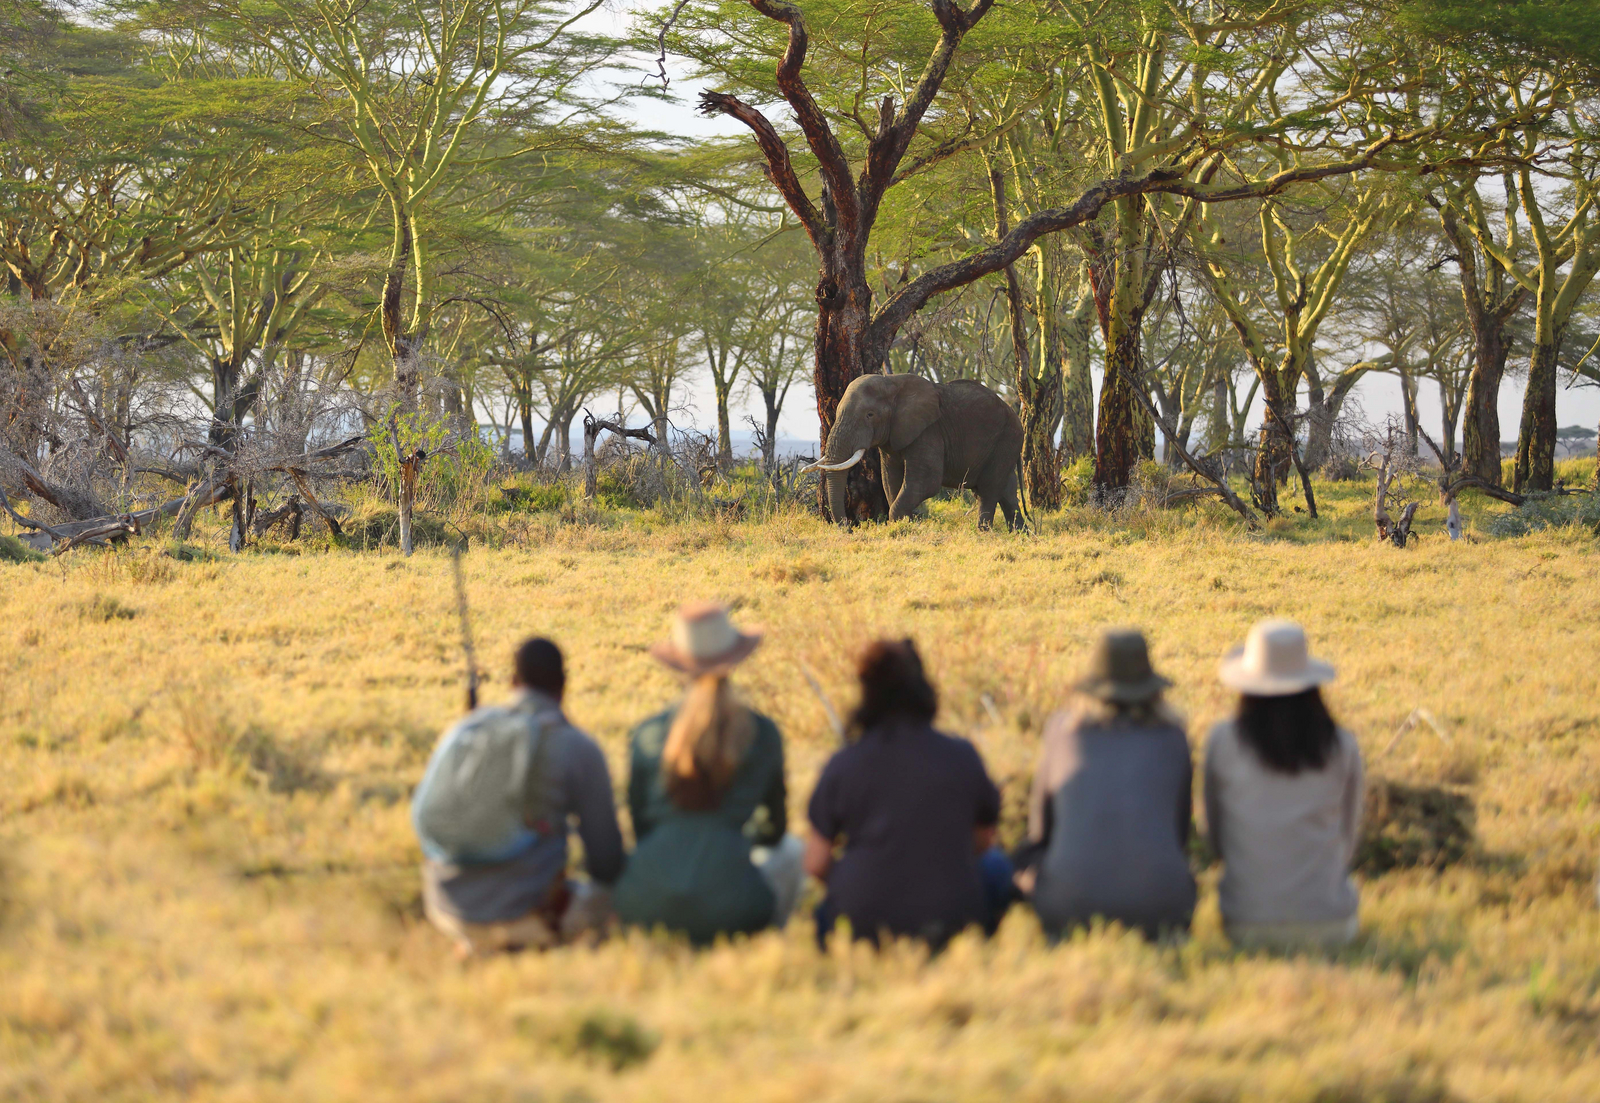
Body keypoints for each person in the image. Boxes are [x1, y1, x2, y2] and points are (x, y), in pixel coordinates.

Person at [411, 637, 625, 957]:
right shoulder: (577, 747)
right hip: (530, 911)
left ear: (513, 682)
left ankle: (474, 943)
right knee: (621, 901)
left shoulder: (469, 728)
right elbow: (606, 861)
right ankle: (528, 938)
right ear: (563, 685)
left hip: (446, 908)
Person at [613, 602, 803, 946]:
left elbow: (640, 828)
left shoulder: (647, 733)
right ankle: (769, 941)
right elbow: (774, 831)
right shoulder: (761, 734)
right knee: (792, 852)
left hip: (645, 902)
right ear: (735, 659)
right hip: (735, 908)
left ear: (678, 664)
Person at [806, 639, 1010, 949]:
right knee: (996, 866)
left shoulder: (844, 763)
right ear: (923, 688)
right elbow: (984, 840)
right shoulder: (961, 755)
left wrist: (857, 879)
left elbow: (816, 862)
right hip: (952, 915)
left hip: (863, 920)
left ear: (866, 693)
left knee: (822, 912)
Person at [1015, 629, 1196, 941]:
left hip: (1067, 905)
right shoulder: (1173, 737)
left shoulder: (1062, 730)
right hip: (1162, 906)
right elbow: (1178, 834)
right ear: (1151, 687)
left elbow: (1041, 831)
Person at [1204, 619, 1364, 952]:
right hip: (1331, 925)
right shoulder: (1342, 745)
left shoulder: (1221, 741)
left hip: (1245, 924)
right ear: (1311, 686)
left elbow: (1215, 839)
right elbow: (1348, 843)